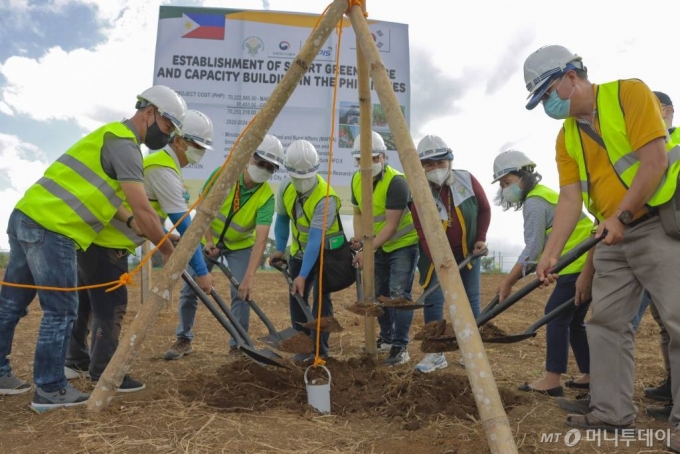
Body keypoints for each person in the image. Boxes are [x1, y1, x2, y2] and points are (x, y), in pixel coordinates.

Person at [523, 45, 680, 441]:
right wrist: (550, 254)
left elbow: (655, 162)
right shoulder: (566, 137)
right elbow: (571, 200)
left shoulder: (629, 93)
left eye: (547, 93)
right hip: (611, 236)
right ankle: (611, 412)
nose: (547, 104)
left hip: (655, 224)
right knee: (605, 323)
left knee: (678, 321)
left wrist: (623, 215)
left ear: (571, 77)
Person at [0, 85, 185, 411]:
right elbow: (144, 208)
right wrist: (169, 252)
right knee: (61, 309)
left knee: (12, 304)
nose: (168, 136)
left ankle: (1, 372)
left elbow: (115, 203)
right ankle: (51, 389)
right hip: (53, 227)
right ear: (150, 112)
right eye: (168, 126)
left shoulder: (110, 137)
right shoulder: (126, 146)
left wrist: (132, 225)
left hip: (28, 216)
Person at [65, 109, 215, 388]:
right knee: (110, 309)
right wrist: (202, 271)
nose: (200, 153)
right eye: (197, 146)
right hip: (107, 244)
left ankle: (74, 360)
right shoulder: (162, 169)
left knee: (87, 303)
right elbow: (186, 226)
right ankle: (104, 373)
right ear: (179, 140)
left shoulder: (163, 165)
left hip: (96, 241)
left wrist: (166, 239)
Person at [165, 134, 284, 360]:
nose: (265, 170)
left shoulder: (266, 197)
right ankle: (184, 339)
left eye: (271, 168)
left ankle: (238, 345)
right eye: (261, 164)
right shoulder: (223, 175)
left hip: (239, 246)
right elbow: (204, 210)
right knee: (191, 289)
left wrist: (250, 277)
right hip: (208, 239)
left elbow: (261, 239)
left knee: (241, 292)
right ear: (250, 157)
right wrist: (208, 241)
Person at [492, 150, 593, 396]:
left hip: (575, 262)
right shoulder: (544, 195)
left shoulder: (535, 202)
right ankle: (591, 374)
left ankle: (552, 379)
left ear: (524, 176)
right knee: (574, 320)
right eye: (503, 185)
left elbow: (533, 247)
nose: (506, 189)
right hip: (583, 259)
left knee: (555, 316)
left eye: (508, 182)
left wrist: (508, 281)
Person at [409, 134, 490, 373]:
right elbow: (421, 229)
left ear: (449, 161)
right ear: (422, 167)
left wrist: (481, 238)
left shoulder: (466, 180)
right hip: (435, 258)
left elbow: (484, 210)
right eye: (429, 164)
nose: (436, 168)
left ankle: (471, 350)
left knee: (470, 301)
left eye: (440, 162)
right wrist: (437, 257)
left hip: (468, 254)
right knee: (434, 301)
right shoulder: (418, 190)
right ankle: (436, 354)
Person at [350, 131, 419, 366]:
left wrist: (366, 251)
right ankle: (387, 339)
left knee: (398, 296)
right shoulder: (356, 179)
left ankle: (401, 347)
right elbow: (358, 211)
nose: (366, 165)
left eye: (373, 159)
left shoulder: (397, 182)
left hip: (402, 244)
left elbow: (391, 226)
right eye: (361, 160)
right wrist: (359, 238)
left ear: (382, 157)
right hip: (377, 247)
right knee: (380, 294)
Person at [270, 140, 342, 361]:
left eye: (306, 178)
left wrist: (302, 275)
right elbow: (282, 220)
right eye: (296, 177)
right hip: (298, 253)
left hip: (325, 254)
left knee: (322, 300)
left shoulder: (325, 197)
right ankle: (302, 347)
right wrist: (280, 249)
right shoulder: (285, 188)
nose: (301, 183)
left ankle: (320, 350)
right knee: (297, 298)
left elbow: (315, 238)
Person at [631, 91, 679, 419]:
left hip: (672, 237)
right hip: (660, 238)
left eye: (652, 110)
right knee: (665, 322)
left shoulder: (673, 145)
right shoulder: (648, 148)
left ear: (667, 111)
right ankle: (673, 386)